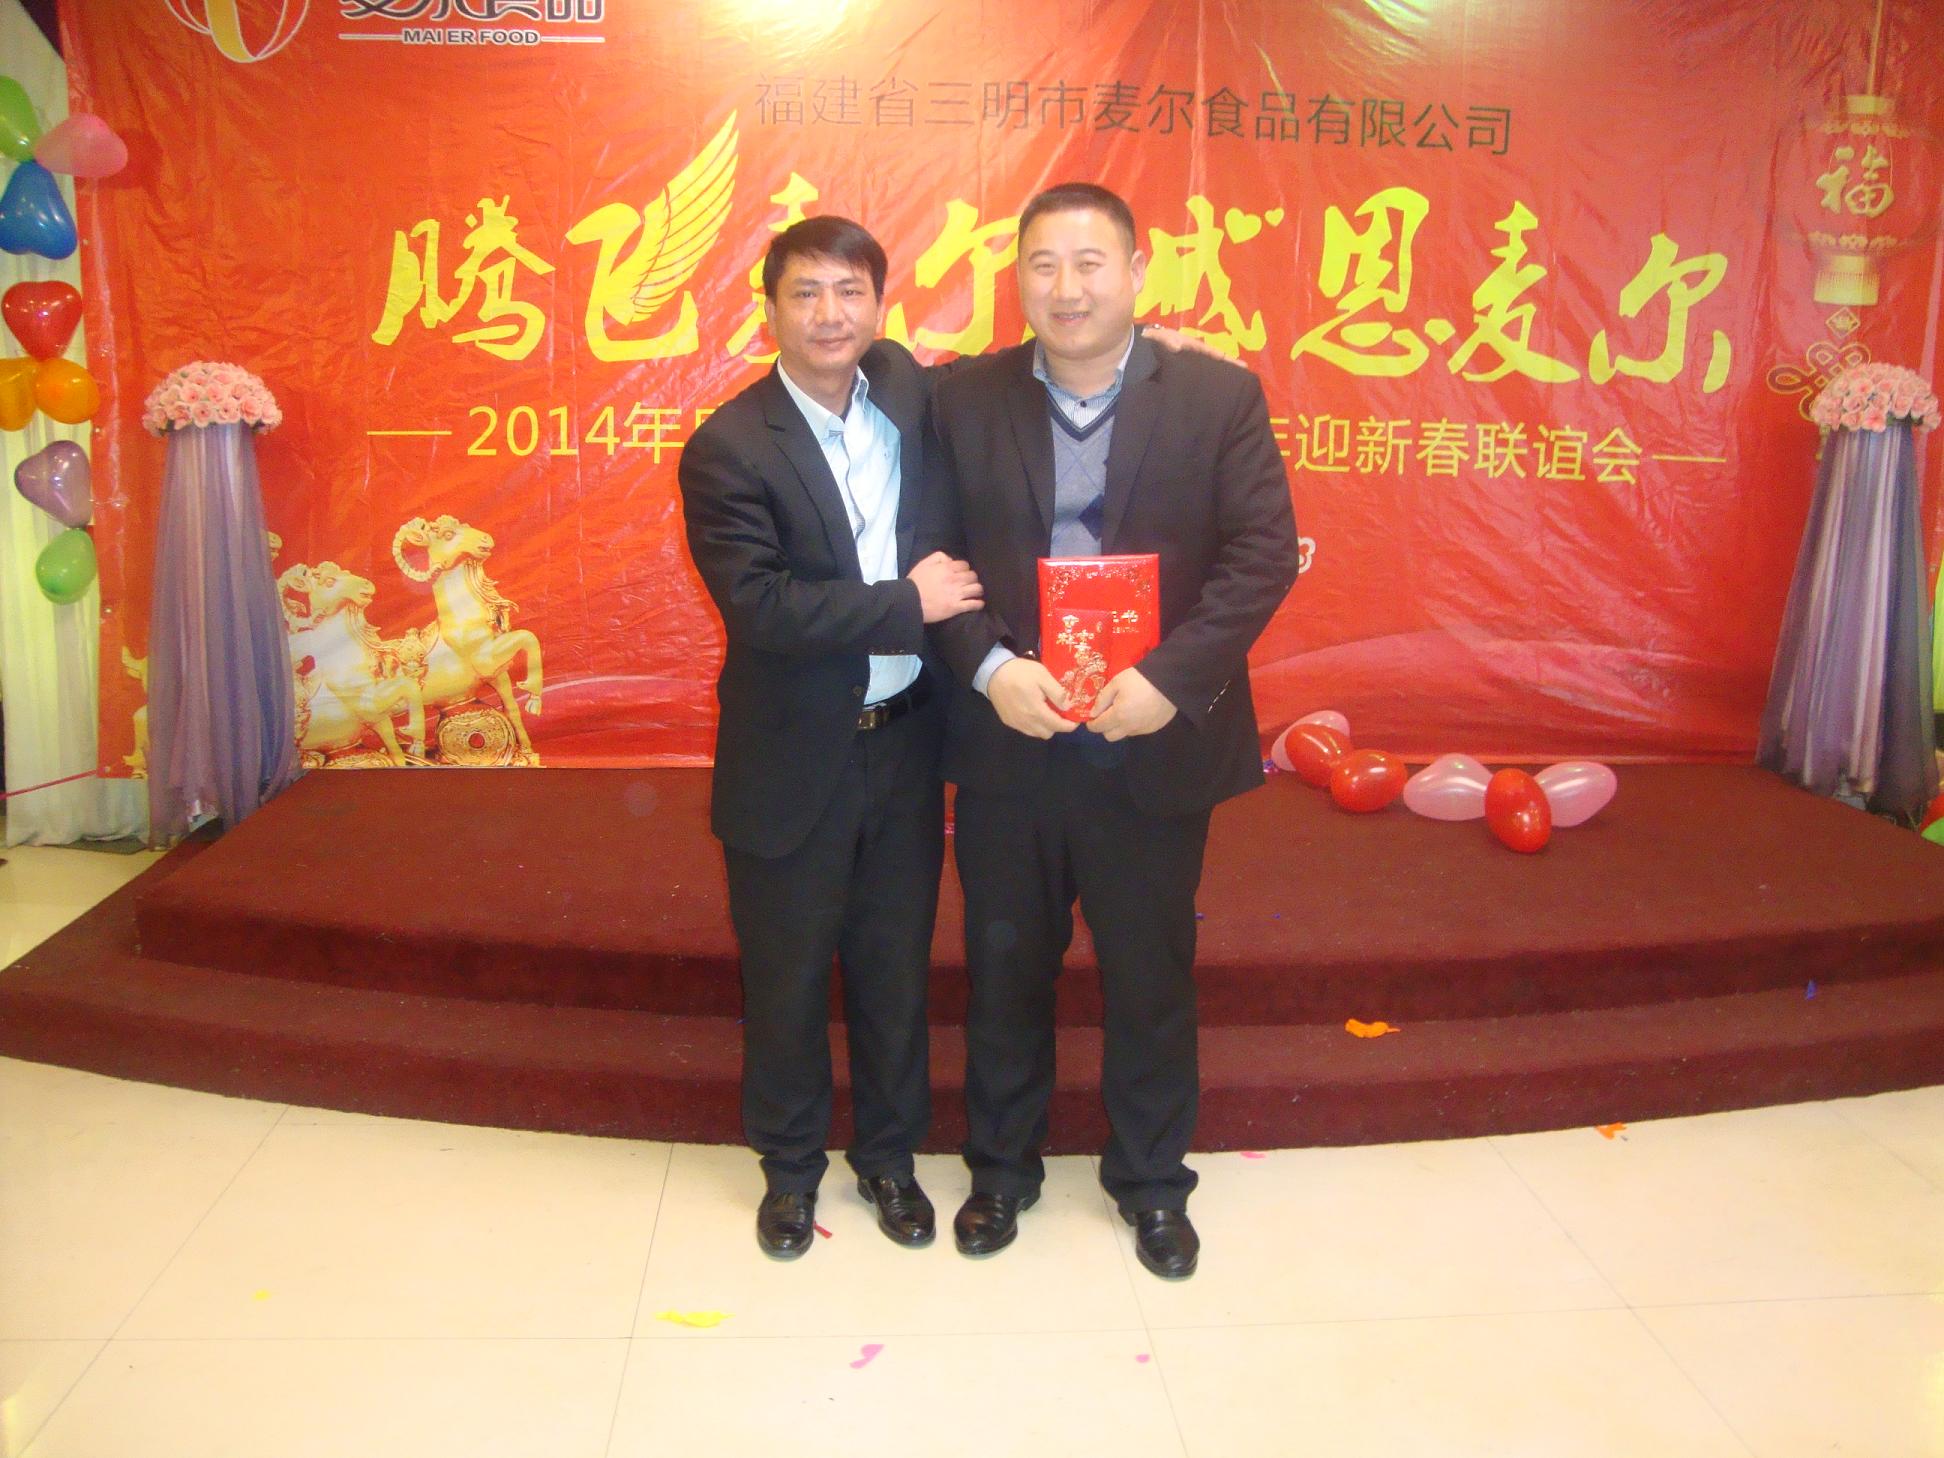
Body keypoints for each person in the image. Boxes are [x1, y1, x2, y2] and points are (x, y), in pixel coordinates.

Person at [924, 183, 1301, 1280]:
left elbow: (1261, 556)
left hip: (1153, 740)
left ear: (1138, 272)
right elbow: (932, 555)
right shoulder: (961, 399)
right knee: (1006, 967)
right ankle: (1002, 1172)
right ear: (1018, 278)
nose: (1068, 288)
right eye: (1043, 264)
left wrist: (1172, 682)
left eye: (1091, 263)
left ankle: (1151, 1184)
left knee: (1150, 973)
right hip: (1013, 737)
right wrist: (990, 669)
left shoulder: (1218, 395)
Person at [678, 215, 983, 1259]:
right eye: (805, 292)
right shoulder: (728, 446)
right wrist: (908, 603)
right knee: (789, 974)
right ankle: (790, 1169)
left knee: (895, 969)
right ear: (768, 308)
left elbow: (1006, 375)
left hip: (904, 747)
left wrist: (1155, 344)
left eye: (850, 291)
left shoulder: (906, 392)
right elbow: (761, 606)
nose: (829, 314)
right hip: (791, 757)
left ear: (880, 306)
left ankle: (890, 1160)